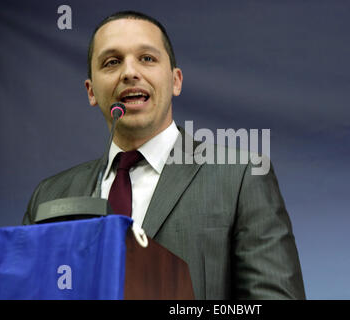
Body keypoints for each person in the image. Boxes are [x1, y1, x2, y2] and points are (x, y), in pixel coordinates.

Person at [22, 11, 306, 300]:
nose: (129, 72)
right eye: (112, 62)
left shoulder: (242, 175)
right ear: (91, 91)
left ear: (176, 81)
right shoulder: (49, 197)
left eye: (147, 58)